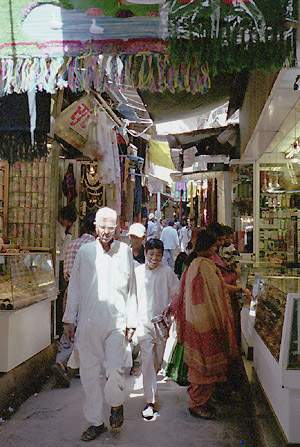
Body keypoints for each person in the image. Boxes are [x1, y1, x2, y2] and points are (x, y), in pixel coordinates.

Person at [63, 207, 137, 442]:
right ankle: (95, 422)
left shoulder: (125, 251)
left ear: (117, 228)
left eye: (110, 227)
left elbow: (132, 288)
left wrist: (132, 320)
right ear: (95, 227)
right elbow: (74, 287)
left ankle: (116, 404)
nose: (106, 232)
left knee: (115, 369)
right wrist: (68, 318)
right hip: (87, 323)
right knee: (89, 374)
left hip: (117, 323)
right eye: (102, 226)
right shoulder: (85, 252)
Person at [170, 230, 238, 420]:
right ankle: (197, 404)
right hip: (206, 323)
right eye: (215, 246)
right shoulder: (204, 266)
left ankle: (200, 401)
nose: (217, 248)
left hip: (195, 323)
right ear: (208, 247)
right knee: (205, 367)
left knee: (199, 367)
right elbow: (216, 292)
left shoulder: (195, 264)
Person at [135, 239, 179, 420]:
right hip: (143, 322)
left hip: (161, 325)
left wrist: (170, 307)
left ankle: (151, 388)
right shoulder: (137, 272)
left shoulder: (167, 272)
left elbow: (176, 293)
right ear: (145, 253)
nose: (155, 258)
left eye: (158, 255)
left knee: (157, 361)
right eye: (151, 254)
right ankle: (150, 401)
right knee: (146, 360)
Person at [52, 213, 96, 388]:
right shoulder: (94, 247)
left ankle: (64, 361)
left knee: (70, 327)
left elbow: (66, 272)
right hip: (88, 291)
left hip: (71, 289)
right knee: (85, 328)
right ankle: (68, 364)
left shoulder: (71, 245)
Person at [56, 205, 77, 336]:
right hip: (58, 263)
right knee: (60, 295)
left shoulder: (61, 228)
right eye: (69, 222)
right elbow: (64, 249)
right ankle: (59, 326)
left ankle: (59, 325)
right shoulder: (59, 229)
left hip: (60, 262)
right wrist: (69, 234)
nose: (70, 224)